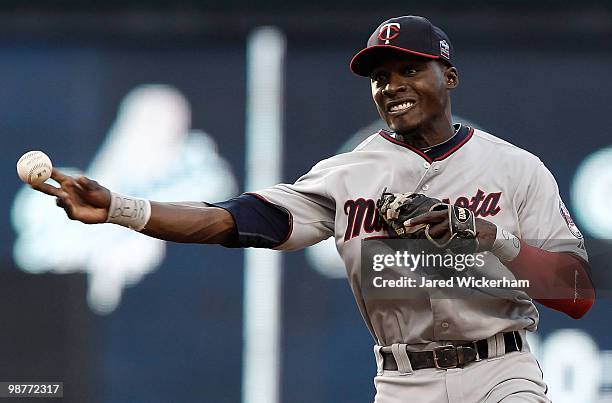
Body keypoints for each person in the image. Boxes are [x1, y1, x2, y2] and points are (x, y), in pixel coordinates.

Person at [33, 15, 594, 403]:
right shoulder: (350, 173)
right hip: (405, 382)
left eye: (409, 69)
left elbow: (575, 293)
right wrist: (121, 209)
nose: (391, 85)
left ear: (448, 76)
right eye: (380, 76)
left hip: (500, 371)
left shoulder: (517, 168)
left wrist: (482, 232)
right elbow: (233, 221)